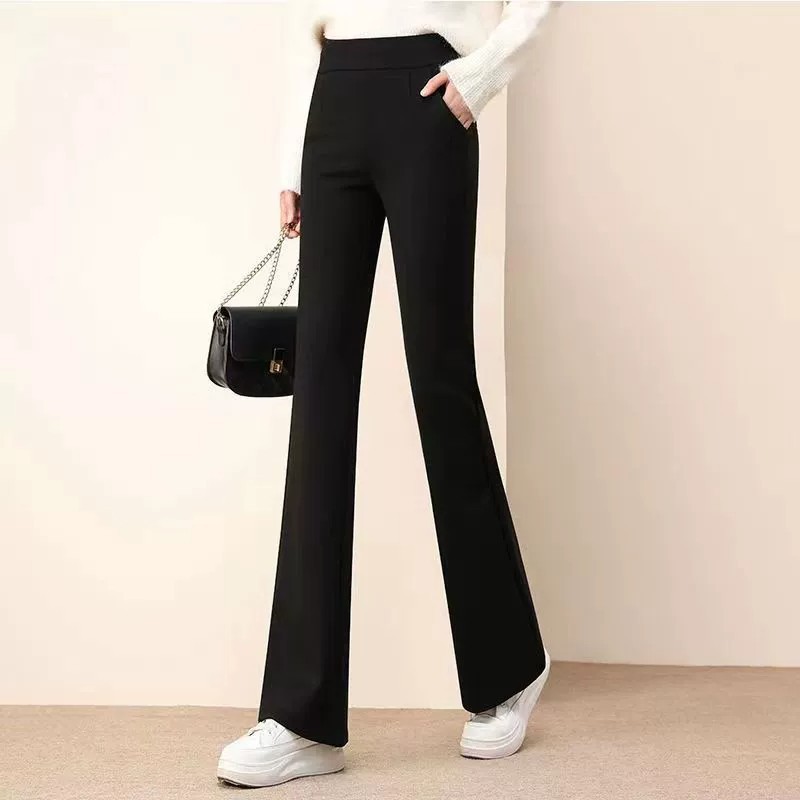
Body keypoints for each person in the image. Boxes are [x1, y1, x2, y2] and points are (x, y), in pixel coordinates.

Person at [217, 1, 554, 788]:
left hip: (429, 93)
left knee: (440, 374)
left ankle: (508, 670)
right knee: (319, 393)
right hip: (334, 98)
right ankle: (302, 719)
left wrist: (486, 72)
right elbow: (305, 18)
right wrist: (293, 155)